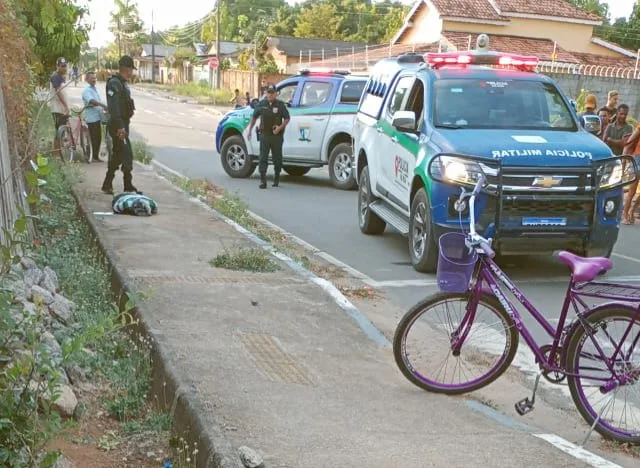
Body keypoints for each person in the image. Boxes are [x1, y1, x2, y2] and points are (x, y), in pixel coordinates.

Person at [101, 56, 139, 195]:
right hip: (118, 125)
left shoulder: (123, 83)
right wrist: (120, 127)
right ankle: (127, 184)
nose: (132, 73)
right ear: (126, 69)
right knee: (127, 154)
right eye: (131, 70)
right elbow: (114, 107)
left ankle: (107, 183)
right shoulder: (114, 83)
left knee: (118, 155)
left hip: (123, 124)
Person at [247, 84, 290, 189]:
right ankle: (263, 180)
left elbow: (287, 118)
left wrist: (280, 128)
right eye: (268, 92)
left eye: (272, 93)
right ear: (266, 93)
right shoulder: (261, 104)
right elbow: (254, 117)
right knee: (263, 158)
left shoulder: (280, 105)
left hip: (276, 136)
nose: (270, 94)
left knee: (277, 158)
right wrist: (250, 130)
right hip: (265, 135)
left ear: (276, 94)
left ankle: (276, 178)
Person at [82, 71, 108, 163]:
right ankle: (91, 156)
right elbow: (92, 101)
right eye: (92, 78)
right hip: (91, 118)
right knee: (93, 138)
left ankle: (95, 157)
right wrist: (103, 105)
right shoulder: (87, 91)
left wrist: (103, 108)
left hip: (97, 117)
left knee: (98, 138)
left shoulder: (94, 89)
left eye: (94, 78)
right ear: (87, 80)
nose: (94, 80)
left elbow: (96, 102)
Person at [49, 57, 70, 158]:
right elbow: (58, 93)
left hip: (61, 108)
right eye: (62, 66)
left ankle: (59, 153)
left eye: (65, 66)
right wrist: (65, 106)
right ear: (57, 66)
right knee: (58, 131)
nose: (64, 68)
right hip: (58, 108)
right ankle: (56, 154)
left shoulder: (60, 76)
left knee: (61, 132)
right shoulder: (56, 76)